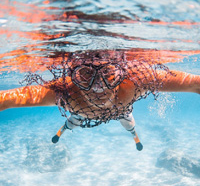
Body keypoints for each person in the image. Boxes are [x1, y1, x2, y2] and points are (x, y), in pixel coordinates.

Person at [0, 50, 200, 151]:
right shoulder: (67, 92)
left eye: (108, 73)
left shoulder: (135, 82)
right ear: (73, 76)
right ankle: (60, 133)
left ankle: (135, 137)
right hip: (81, 111)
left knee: (129, 125)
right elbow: (6, 100)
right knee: (71, 123)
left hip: (121, 110)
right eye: (85, 74)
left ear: (121, 73)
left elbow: (194, 84)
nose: (98, 86)